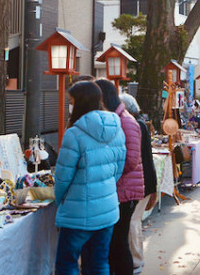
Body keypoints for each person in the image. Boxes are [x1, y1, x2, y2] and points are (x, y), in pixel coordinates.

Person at [55, 81, 126, 275]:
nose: (70, 104)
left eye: (71, 101)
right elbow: (118, 170)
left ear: (80, 102)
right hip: (108, 209)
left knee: (66, 264)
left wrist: (60, 201)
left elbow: (62, 178)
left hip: (78, 213)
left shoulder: (74, 134)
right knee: (99, 263)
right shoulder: (117, 130)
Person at [95, 79, 144, 275]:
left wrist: (105, 169)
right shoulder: (115, 118)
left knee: (118, 243)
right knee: (114, 243)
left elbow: (131, 160)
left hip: (124, 190)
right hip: (120, 188)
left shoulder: (125, 121)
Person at [119, 93, 158, 274]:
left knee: (134, 222)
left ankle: (136, 261)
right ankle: (136, 259)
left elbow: (140, 158)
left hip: (141, 182)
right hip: (145, 181)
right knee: (134, 222)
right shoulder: (140, 123)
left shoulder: (135, 125)